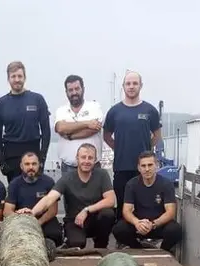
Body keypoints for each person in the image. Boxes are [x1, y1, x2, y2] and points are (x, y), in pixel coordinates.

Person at [21, 144, 115, 249]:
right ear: (77, 158)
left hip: (95, 219)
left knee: (108, 214)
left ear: (95, 160)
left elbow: (110, 200)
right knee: (77, 243)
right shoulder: (67, 178)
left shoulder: (102, 174)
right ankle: (69, 241)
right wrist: (32, 213)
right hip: (75, 221)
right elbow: (49, 198)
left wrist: (86, 210)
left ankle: (101, 244)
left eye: (90, 158)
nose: (86, 161)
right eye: (83, 157)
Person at [103, 71, 162, 221]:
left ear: (140, 86)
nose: (131, 87)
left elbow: (157, 136)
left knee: (144, 204)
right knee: (123, 205)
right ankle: (123, 239)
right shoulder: (114, 111)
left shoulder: (150, 111)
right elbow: (107, 136)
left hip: (144, 168)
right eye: (128, 84)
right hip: (121, 167)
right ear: (123, 86)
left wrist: (147, 150)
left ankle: (145, 236)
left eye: (135, 83)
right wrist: (120, 148)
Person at [111, 151, 184, 253]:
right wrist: (137, 223)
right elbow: (126, 211)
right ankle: (139, 249)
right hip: (139, 225)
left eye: (150, 165)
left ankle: (161, 251)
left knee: (175, 230)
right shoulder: (131, 184)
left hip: (158, 225)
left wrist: (153, 224)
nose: (147, 169)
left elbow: (170, 212)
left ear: (157, 166)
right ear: (138, 168)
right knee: (118, 229)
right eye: (143, 166)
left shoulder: (166, 184)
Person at [0, 61, 51, 183]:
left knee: (35, 194)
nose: (17, 80)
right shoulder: (0, 104)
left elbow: (46, 131)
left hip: (33, 153)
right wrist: (1, 161)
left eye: (20, 76)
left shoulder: (37, 99)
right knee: (15, 195)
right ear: (8, 79)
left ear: (25, 77)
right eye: (13, 76)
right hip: (11, 156)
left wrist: (42, 157)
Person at [3, 152, 63, 247]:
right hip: (22, 220)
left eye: (34, 164)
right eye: (27, 164)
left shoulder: (48, 182)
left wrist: (37, 223)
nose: (31, 167)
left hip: (43, 220)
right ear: (21, 166)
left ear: (39, 165)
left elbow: (53, 211)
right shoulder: (14, 184)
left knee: (56, 235)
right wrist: (21, 219)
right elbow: (7, 211)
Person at [54, 75, 103, 173]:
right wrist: (87, 123)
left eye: (77, 89)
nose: (74, 93)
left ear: (83, 89)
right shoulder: (61, 110)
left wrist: (70, 135)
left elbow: (93, 129)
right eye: (70, 90)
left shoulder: (94, 107)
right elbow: (61, 128)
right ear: (66, 92)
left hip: (92, 167)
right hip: (68, 168)